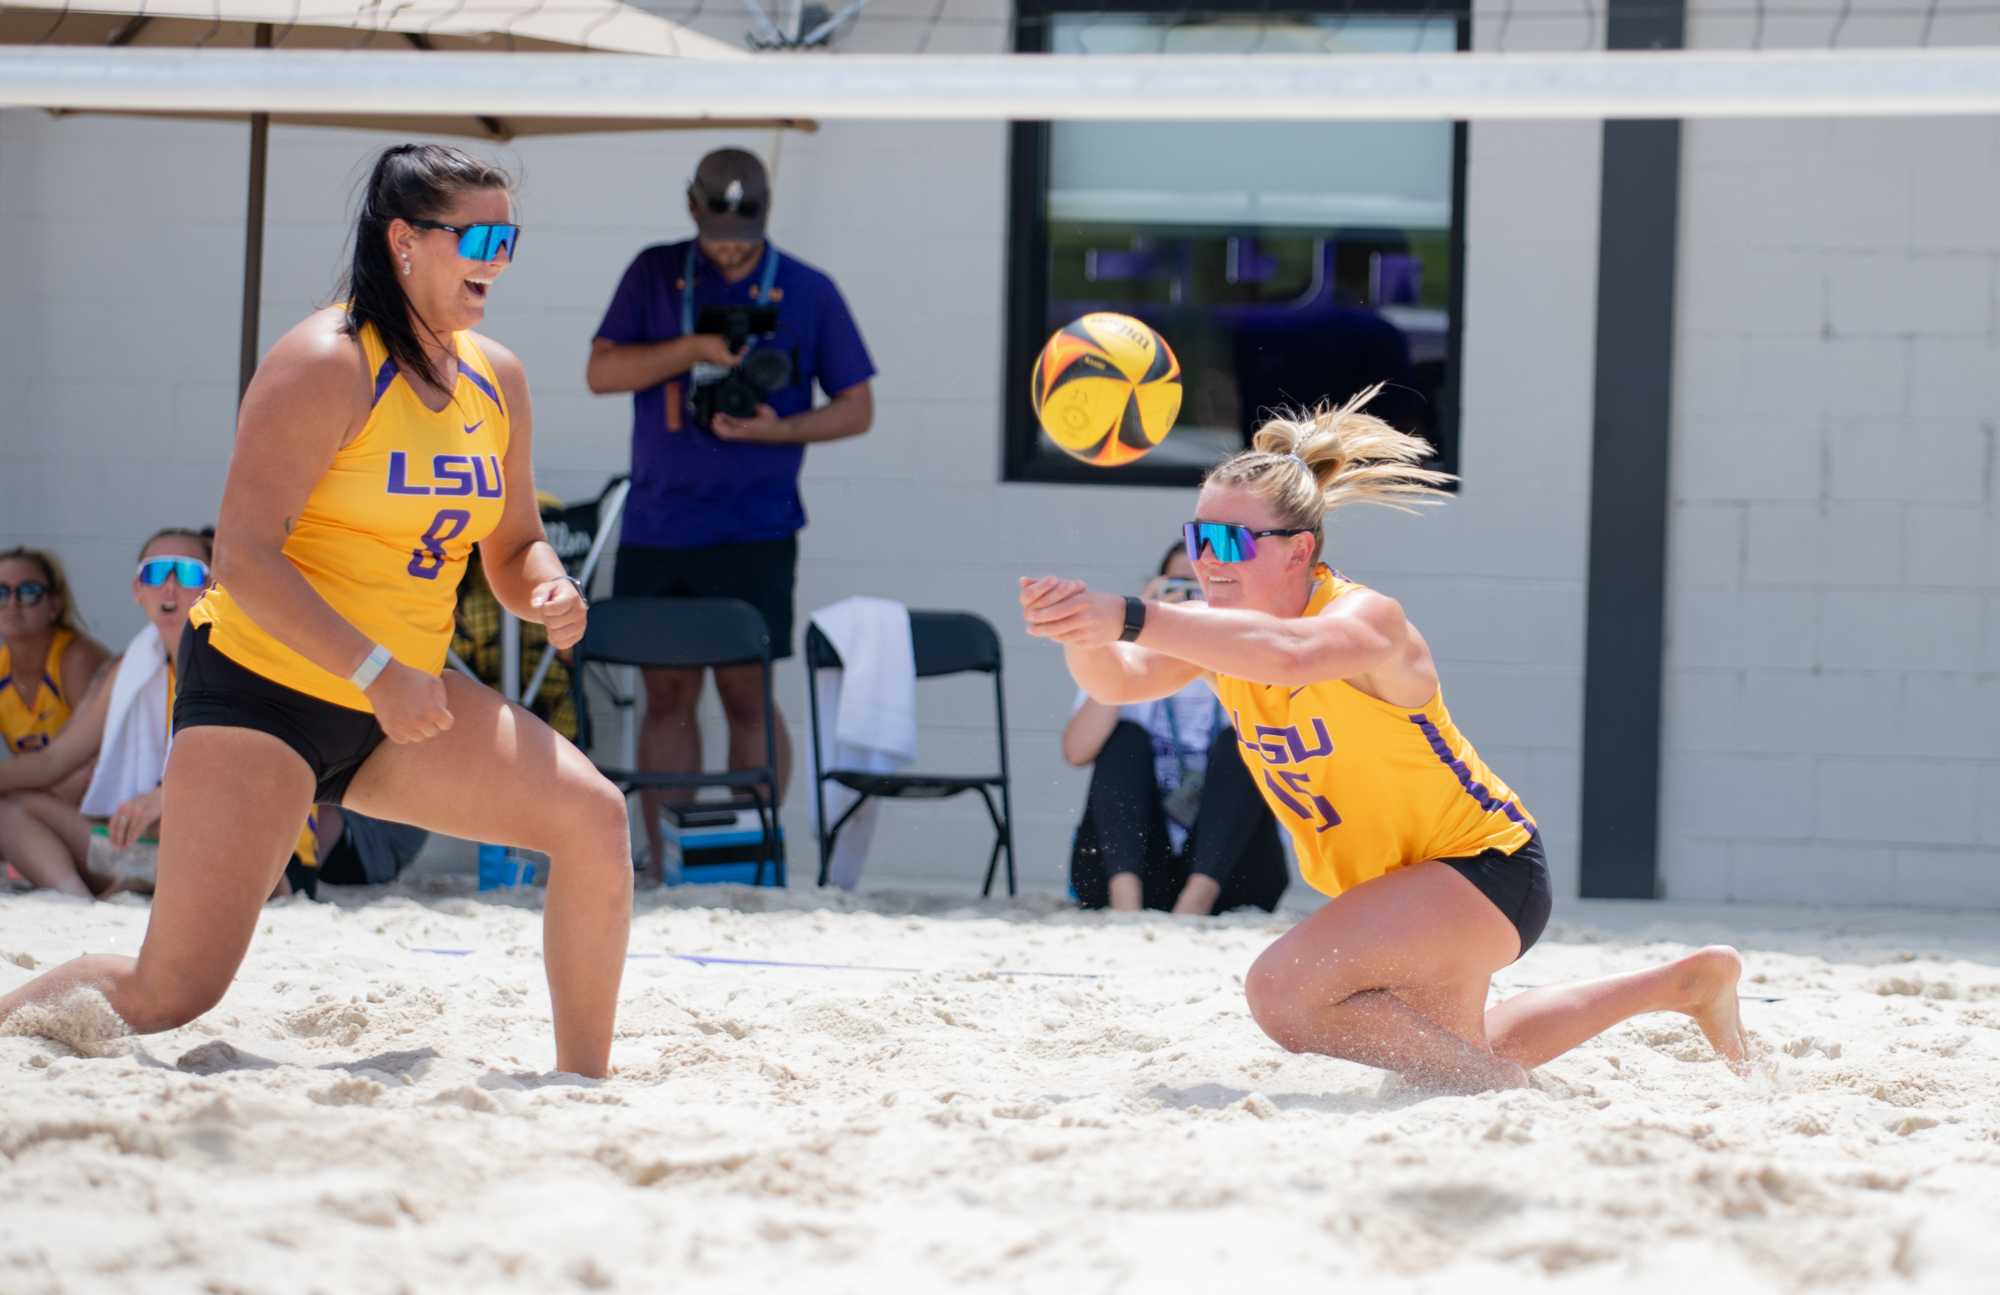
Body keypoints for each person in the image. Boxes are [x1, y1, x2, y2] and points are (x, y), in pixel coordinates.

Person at [0, 144, 632, 1078]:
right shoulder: (323, 362)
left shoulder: (497, 376)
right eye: (482, 235)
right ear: (405, 242)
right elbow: (246, 558)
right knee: (173, 988)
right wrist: (375, 673)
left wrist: (544, 586)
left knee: (592, 817)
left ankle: (584, 1084)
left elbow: (510, 543)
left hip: (402, 700)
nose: (500, 257)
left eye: (513, 237)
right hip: (267, 692)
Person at [1019, 386, 1747, 1093]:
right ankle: (1685, 983)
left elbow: (1291, 655)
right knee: (1462, 1051)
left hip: (1482, 867)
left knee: (1283, 992)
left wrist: (1128, 613)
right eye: (1194, 536)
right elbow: (1117, 680)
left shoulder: (1369, 619)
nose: (1205, 558)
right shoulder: (1220, 636)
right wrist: (1076, 631)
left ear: (1298, 550)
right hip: (1399, 887)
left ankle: (1500, 1087)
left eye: (1225, 539)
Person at [586, 147, 875, 881]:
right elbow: (601, 371)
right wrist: (692, 348)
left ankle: (746, 856)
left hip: (758, 523)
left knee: (747, 689)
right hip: (659, 520)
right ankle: (664, 861)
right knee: (667, 693)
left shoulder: (808, 290)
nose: (730, 249)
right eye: (717, 235)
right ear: (691, 208)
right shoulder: (655, 273)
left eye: (743, 238)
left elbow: (857, 407)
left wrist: (777, 428)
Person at [1064, 542, 1287, 915]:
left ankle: (1194, 901)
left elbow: (1279, 744)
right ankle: (1126, 905)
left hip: (1231, 874)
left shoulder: (1256, 652)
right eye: (1178, 586)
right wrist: (1133, 630)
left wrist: (1217, 644)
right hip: (1141, 864)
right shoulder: (1125, 659)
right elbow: (1077, 751)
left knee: (1244, 743)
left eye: (1204, 588)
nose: (1189, 600)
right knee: (1124, 741)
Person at [0, 530, 212, 896]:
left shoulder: (234, 665)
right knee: (11, 811)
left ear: (213, 587)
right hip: (140, 847)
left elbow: (247, 773)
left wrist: (166, 795)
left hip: (225, 854)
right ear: (137, 590)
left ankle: (120, 883)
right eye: (156, 573)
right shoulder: (132, 666)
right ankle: (76, 901)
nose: (170, 587)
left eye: (188, 573)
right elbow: (53, 760)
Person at [0, 548, 111, 788]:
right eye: (1, 592)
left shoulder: (75, 659)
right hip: (43, 796)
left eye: (28, 591)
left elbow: (97, 763)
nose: (12, 603)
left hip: (97, 798)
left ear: (54, 605)